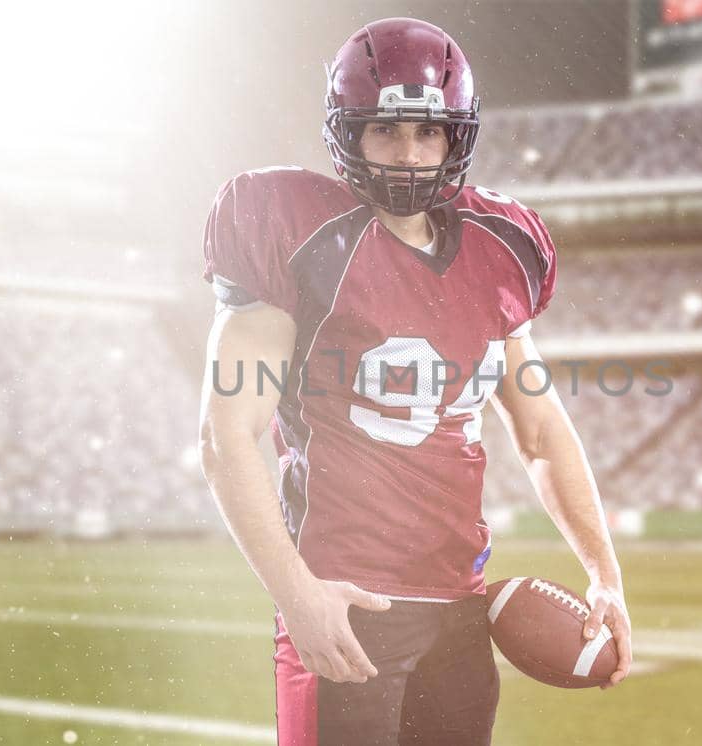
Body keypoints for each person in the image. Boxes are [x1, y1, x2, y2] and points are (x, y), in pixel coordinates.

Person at [197, 17, 631, 745]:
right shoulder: (294, 232)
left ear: (456, 137)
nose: (408, 156)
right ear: (349, 135)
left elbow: (544, 433)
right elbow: (225, 437)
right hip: (347, 601)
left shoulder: (504, 247)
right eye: (386, 132)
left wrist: (606, 576)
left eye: (427, 134)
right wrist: (295, 595)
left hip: (459, 610)